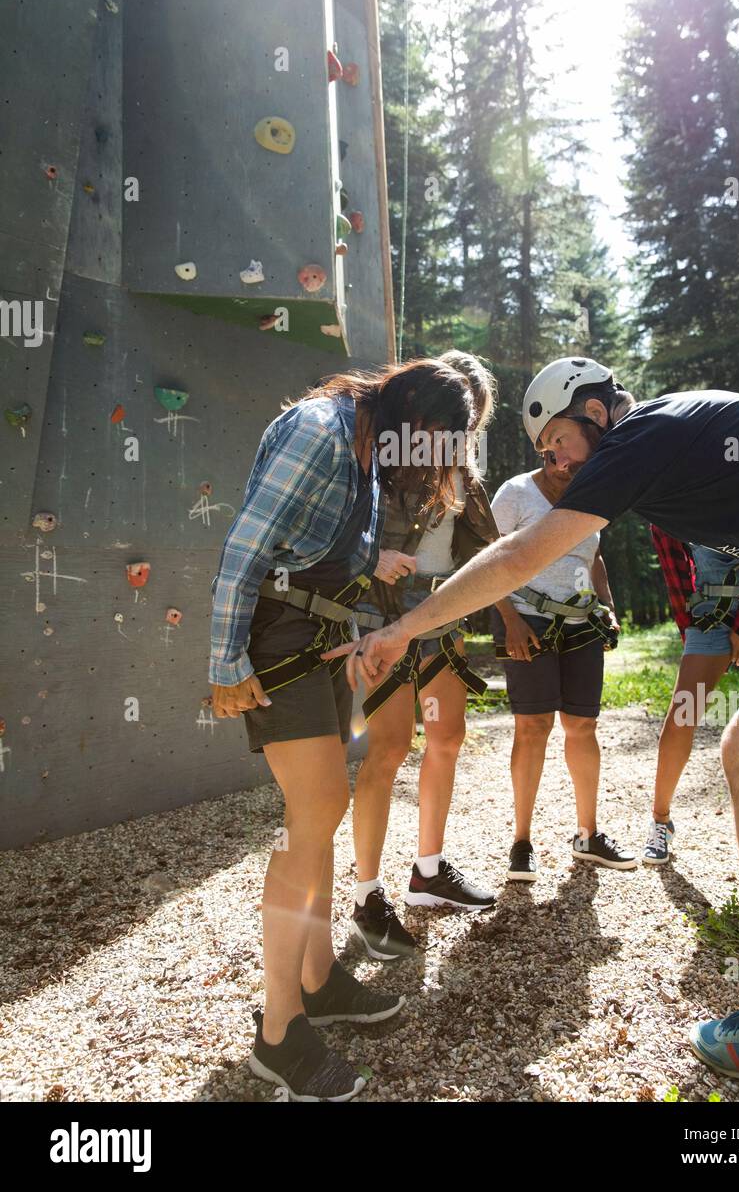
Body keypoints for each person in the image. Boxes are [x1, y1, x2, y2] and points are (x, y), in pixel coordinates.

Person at [326, 356, 739, 1102]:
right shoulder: (684, 447)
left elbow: (520, 555)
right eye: (545, 455)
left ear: (597, 413)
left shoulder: (642, 435)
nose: (555, 463)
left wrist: (406, 629)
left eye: (556, 445)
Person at [209, 358, 474, 1101]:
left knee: (316, 818)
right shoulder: (322, 431)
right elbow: (246, 548)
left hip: (322, 637)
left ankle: (319, 979)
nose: (426, 466)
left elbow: (324, 549)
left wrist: (366, 597)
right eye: (431, 445)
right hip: (273, 639)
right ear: (411, 419)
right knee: (315, 814)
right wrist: (224, 660)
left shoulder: (365, 446)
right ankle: (279, 1032)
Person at [351, 351, 501, 961]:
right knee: (386, 748)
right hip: (384, 613)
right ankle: (366, 896)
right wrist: (372, 567)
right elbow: (349, 536)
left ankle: (428, 870)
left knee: (446, 737)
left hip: (443, 611)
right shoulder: (384, 461)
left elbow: (486, 554)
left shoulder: (462, 473)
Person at [490, 450, 628, 879]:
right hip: (525, 619)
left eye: (575, 462)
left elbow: (595, 556)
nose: (562, 464)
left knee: (582, 726)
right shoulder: (515, 493)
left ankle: (588, 834)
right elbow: (486, 558)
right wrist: (509, 619)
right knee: (533, 727)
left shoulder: (593, 498)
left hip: (581, 622)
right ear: (543, 451)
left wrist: (607, 606)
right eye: (554, 455)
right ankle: (522, 841)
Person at [643, 528, 739, 864]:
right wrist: (690, 627)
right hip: (710, 614)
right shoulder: (667, 505)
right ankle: (660, 820)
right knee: (682, 716)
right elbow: (676, 575)